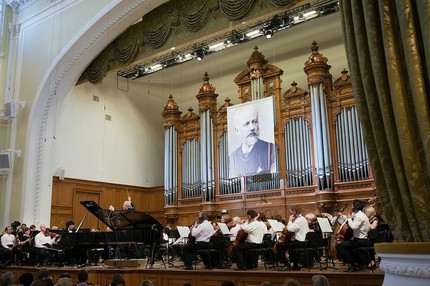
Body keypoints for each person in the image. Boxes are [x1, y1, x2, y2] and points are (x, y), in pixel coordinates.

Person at [229, 104, 276, 177]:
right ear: (237, 130)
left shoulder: (271, 149)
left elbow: (273, 178)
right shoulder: (232, 157)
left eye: (255, 122)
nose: (252, 127)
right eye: (246, 124)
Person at [335, 200, 371, 272]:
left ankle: (353, 265)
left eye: (352, 205)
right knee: (348, 245)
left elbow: (354, 227)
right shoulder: (360, 214)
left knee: (339, 246)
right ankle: (359, 263)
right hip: (361, 239)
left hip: (361, 240)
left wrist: (348, 218)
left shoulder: (359, 216)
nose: (351, 207)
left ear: (356, 206)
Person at [276, 205, 310, 270]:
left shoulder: (299, 220)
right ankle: (295, 265)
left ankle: (286, 264)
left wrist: (290, 220)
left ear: (294, 211)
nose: (289, 213)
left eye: (290, 211)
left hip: (300, 242)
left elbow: (290, 229)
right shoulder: (302, 218)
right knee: (289, 245)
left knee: (279, 246)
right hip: (303, 241)